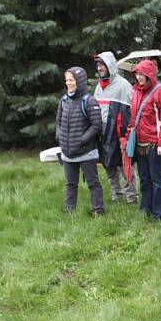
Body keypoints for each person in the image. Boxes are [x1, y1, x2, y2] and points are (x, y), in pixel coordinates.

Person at [127, 60, 161, 221]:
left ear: (150, 74)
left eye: (142, 74)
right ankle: (145, 208)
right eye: (137, 74)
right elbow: (133, 118)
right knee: (144, 178)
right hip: (139, 143)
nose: (139, 77)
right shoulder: (136, 91)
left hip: (154, 144)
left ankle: (160, 214)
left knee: (157, 179)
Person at [56, 67, 104, 216]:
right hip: (67, 152)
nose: (68, 83)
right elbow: (58, 122)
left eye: (71, 80)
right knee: (70, 184)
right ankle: (70, 210)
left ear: (80, 82)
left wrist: (82, 140)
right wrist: (60, 137)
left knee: (93, 183)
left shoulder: (89, 101)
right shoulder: (64, 100)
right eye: (67, 80)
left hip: (86, 151)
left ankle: (98, 210)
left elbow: (97, 125)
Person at [94, 52, 137, 203]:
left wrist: (129, 131)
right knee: (108, 163)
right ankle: (116, 193)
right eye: (98, 65)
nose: (99, 68)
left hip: (120, 132)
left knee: (125, 164)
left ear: (110, 66)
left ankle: (131, 196)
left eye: (102, 64)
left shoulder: (123, 85)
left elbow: (133, 109)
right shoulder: (99, 87)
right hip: (103, 132)